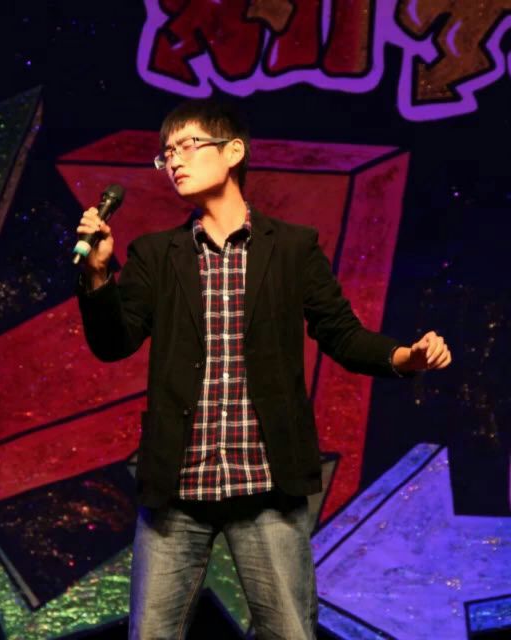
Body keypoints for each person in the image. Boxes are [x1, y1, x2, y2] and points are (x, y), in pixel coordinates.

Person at [75, 99, 451, 639]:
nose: (174, 159)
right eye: (166, 153)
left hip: (267, 484)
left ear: (233, 152)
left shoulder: (293, 248)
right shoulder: (157, 254)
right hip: (177, 489)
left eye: (187, 145)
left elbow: (341, 334)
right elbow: (114, 343)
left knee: (290, 632)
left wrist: (403, 357)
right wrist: (97, 276)